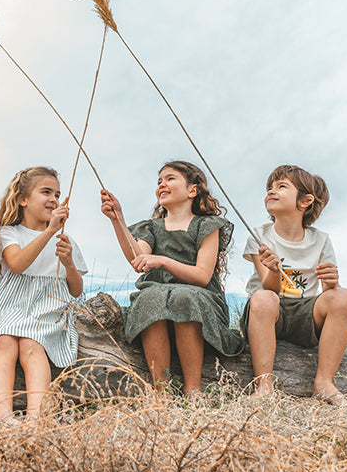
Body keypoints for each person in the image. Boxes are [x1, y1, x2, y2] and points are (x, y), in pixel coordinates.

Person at [101, 160, 244, 397]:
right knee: (150, 296)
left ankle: (193, 387)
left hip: (200, 299)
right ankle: (162, 391)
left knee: (182, 296)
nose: (162, 184)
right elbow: (138, 259)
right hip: (159, 300)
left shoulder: (207, 225)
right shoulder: (152, 228)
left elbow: (202, 276)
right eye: (159, 181)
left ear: (192, 190)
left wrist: (164, 261)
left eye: (170, 179)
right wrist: (118, 220)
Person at [242, 164, 347, 404]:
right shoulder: (259, 235)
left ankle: (324, 383)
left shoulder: (321, 239)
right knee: (263, 299)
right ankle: (264, 385)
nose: (271, 191)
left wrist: (332, 282)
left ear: (305, 201)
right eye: (269, 187)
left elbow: (328, 296)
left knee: (344, 297)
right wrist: (274, 271)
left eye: (281, 186)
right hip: (267, 313)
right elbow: (269, 290)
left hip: (305, 314)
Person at [0, 167, 87, 421]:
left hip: (47, 304)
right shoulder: (10, 232)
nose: (54, 199)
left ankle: (35, 418)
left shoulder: (65, 239)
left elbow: (76, 290)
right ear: (23, 199)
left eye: (57, 194)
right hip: (12, 303)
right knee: (5, 341)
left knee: (32, 344)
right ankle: (4, 417)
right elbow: (17, 264)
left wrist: (69, 264)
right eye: (46, 192)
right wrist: (49, 231)